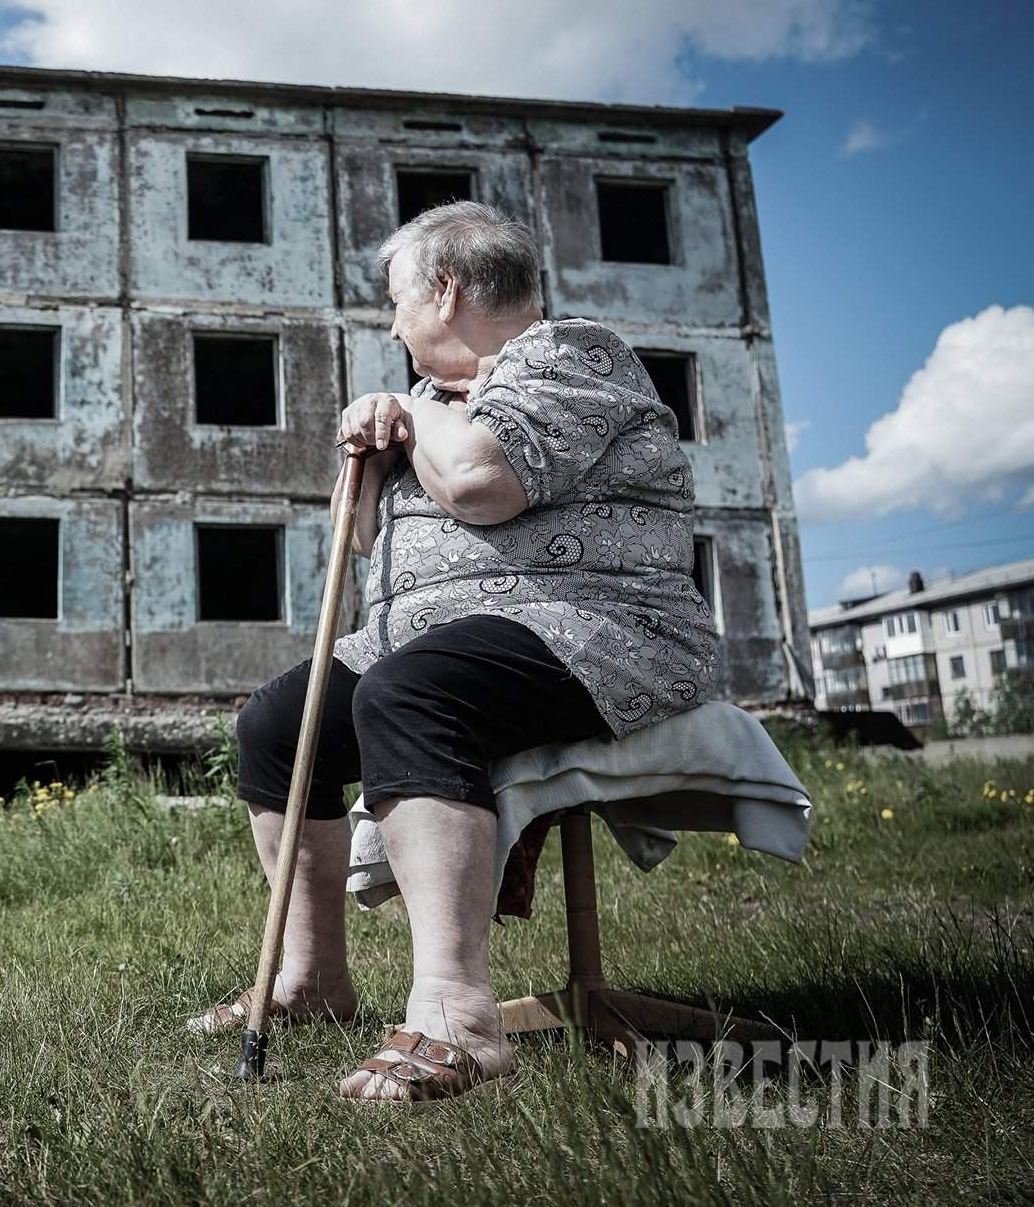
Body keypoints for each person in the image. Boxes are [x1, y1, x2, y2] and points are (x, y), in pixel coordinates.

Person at [186, 200, 719, 1102]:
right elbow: (357, 540)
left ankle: (456, 1016)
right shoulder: (435, 402)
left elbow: (482, 483)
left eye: (398, 301)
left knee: (408, 693)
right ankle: (310, 980)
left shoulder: (570, 355)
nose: (392, 324)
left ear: (445, 289)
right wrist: (366, 447)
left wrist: (409, 413)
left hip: (597, 628)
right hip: (435, 639)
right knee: (279, 721)